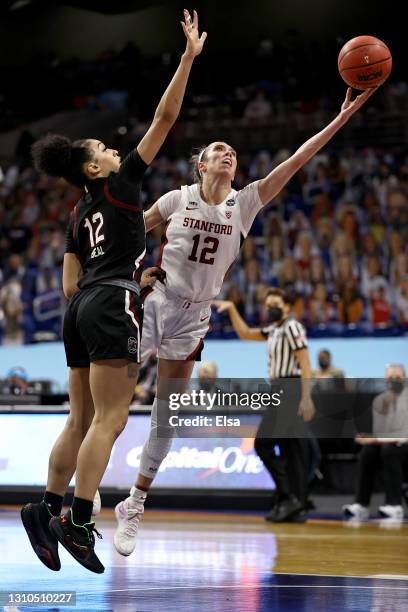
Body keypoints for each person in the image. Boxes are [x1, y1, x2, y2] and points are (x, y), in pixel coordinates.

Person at [113, 85, 376, 554]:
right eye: (219, 151)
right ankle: (82, 492)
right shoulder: (178, 199)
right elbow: (130, 231)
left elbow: (297, 160)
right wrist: (134, 269)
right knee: (112, 406)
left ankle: (134, 502)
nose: (228, 154)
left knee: (165, 418)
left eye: (232, 152)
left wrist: (341, 117)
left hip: (195, 318)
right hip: (156, 303)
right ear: (202, 165)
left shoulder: (246, 202)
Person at [20, 9, 207, 574]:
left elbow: (69, 281)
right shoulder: (121, 186)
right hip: (110, 305)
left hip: (78, 309)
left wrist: (121, 278)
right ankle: (77, 522)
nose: (111, 149)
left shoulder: (78, 212)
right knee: (111, 420)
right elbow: (166, 117)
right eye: (102, 147)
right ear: (95, 168)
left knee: (77, 420)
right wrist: (187, 58)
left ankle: (46, 507)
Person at [215, 288, 314, 522]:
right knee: (291, 450)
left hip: (290, 388)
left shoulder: (292, 327)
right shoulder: (274, 329)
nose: (270, 308)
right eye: (267, 304)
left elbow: (306, 363)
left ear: (287, 307)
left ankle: (288, 497)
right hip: (280, 389)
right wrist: (231, 309)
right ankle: (294, 504)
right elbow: (246, 333)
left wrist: (307, 397)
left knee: (263, 443)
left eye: (275, 303)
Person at [343, 364, 408, 521]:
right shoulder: (379, 400)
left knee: (388, 450)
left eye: (397, 377)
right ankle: (361, 505)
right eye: (390, 378)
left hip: (404, 445)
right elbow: (381, 431)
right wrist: (370, 438)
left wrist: (375, 439)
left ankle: (395, 505)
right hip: (390, 444)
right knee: (368, 452)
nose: (393, 381)